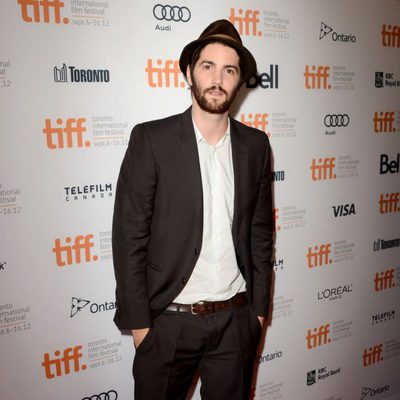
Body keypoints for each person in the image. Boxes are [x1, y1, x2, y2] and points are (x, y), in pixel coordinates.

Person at [112, 19, 274, 400]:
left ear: (239, 80)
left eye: (229, 70)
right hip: (168, 324)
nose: (218, 78)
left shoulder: (256, 146)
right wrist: (142, 329)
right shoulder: (151, 140)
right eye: (208, 66)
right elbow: (129, 237)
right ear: (189, 71)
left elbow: (261, 234)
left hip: (236, 323)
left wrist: (258, 315)